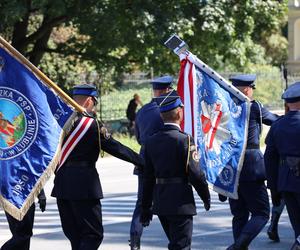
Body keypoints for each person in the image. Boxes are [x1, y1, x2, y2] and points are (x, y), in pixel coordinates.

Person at [51, 84, 144, 250]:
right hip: (84, 186)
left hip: (62, 185)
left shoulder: (58, 122)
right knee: (92, 234)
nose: (95, 106)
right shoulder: (90, 125)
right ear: (88, 101)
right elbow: (115, 148)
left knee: (75, 235)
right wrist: (142, 161)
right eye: (95, 102)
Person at [141, 90, 211, 250]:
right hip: (181, 202)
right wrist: (205, 196)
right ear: (179, 113)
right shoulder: (184, 139)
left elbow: (148, 178)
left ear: (161, 116)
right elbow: (195, 174)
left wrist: (146, 207)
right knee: (181, 246)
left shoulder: (151, 142)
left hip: (161, 202)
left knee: (176, 244)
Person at [224, 74, 279, 250]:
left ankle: (239, 247)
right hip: (250, 166)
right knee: (261, 213)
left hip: (230, 165)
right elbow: (275, 121)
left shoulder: (223, 108)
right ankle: (238, 246)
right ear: (247, 89)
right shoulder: (253, 107)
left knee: (239, 214)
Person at [129, 76, 173, 250]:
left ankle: (134, 238)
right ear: (168, 90)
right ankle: (175, 240)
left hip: (145, 159)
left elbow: (139, 138)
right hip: (164, 159)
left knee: (142, 202)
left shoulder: (143, 111)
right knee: (168, 201)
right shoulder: (169, 109)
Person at [264, 81, 300, 250]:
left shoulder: (277, 126)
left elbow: (269, 159)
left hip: (286, 182)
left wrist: (274, 190)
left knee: (297, 226)